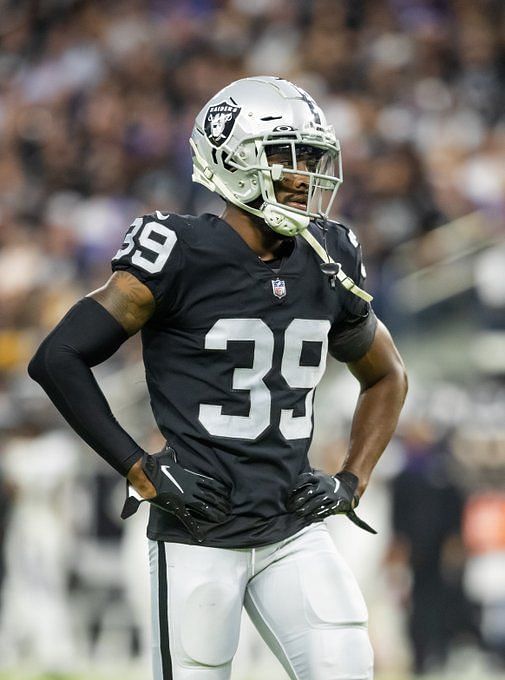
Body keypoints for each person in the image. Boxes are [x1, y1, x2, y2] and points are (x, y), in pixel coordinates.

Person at [29, 76, 408, 680]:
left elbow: (386, 375)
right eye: (287, 157)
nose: (305, 175)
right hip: (197, 533)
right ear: (232, 161)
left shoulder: (329, 254)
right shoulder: (179, 250)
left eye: (312, 158)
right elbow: (57, 358)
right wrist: (138, 466)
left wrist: (352, 481)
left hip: (293, 525)